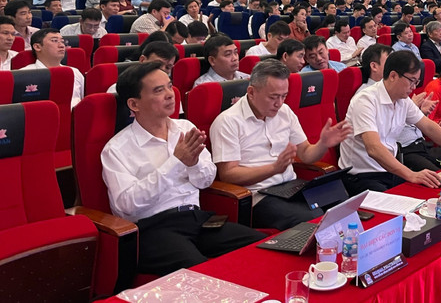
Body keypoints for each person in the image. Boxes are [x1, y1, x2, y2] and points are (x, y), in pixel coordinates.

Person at [101, 62, 263, 275]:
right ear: (134, 104)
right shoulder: (117, 149)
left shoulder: (185, 128)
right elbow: (127, 205)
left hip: (197, 219)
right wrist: (176, 162)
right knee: (203, 273)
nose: (170, 94)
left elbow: (206, 181)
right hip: (154, 229)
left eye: (170, 86)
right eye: (158, 90)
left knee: (261, 247)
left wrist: (193, 164)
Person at [210, 59, 352, 230]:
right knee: (312, 219)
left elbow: (306, 154)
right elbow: (228, 174)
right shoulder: (227, 122)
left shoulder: (284, 112)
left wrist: (323, 144)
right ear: (251, 92)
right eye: (273, 97)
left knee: (343, 204)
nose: (279, 103)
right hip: (258, 196)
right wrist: (274, 168)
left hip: (291, 187)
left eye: (284, 96)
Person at [339, 51, 441, 194]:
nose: (414, 87)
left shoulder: (403, 100)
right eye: (411, 80)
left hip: (390, 170)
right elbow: (373, 148)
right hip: (361, 176)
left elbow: (429, 127)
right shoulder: (365, 100)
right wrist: (411, 175)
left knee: (435, 190)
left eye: (417, 82)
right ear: (393, 76)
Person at [20, 28, 85, 107]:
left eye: (62, 41)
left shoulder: (74, 72)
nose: (62, 45)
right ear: (37, 47)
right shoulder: (25, 75)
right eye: (54, 41)